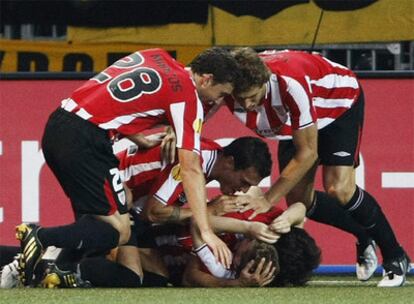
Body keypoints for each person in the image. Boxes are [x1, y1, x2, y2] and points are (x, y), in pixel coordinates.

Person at [16, 47, 240, 286]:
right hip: (87, 141)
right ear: (206, 79)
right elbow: (191, 168)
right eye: (220, 93)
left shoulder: (156, 55)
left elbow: (110, 99)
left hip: (58, 125)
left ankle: (61, 268)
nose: (216, 101)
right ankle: (40, 237)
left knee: (98, 218)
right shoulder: (187, 98)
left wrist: (139, 138)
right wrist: (206, 231)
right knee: (119, 230)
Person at [221, 48, 410, 287]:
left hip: (337, 105)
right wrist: (174, 131)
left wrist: (268, 199)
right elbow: (201, 100)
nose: (246, 104)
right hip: (295, 118)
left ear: (265, 80)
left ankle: (395, 257)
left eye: (252, 96)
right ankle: (363, 234)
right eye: (240, 97)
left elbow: (308, 154)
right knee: (302, 201)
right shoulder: (228, 81)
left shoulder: (291, 85)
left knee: (339, 188)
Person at [38, 136, 274, 288]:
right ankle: (51, 256)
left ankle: (57, 260)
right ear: (230, 163)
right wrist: (204, 212)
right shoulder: (193, 163)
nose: (242, 190)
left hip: (131, 208)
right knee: (130, 277)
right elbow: (152, 213)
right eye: (243, 181)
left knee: (158, 280)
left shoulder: (209, 158)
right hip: (110, 195)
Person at [182, 201, 321, 287]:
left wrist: (235, 284)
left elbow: (189, 277)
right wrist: (287, 219)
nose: (247, 239)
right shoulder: (265, 221)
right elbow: (300, 208)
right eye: (253, 239)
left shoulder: (236, 270)